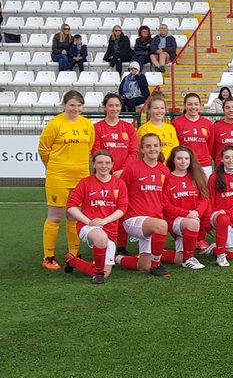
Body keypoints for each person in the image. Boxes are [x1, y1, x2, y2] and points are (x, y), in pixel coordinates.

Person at [37, 90, 94, 270]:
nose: (75, 109)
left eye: (78, 106)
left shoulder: (87, 125)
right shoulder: (55, 124)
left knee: (75, 216)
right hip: (58, 176)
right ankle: (48, 257)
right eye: (71, 105)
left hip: (81, 176)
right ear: (64, 105)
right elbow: (43, 150)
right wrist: (55, 167)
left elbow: (89, 148)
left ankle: (73, 253)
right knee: (55, 216)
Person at [61, 150, 126, 284]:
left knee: (106, 271)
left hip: (109, 228)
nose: (104, 166)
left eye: (107, 163)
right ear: (94, 164)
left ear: (112, 164)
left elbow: (122, 209)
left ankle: (73, 261)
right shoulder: (85, 183)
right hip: (87, 226)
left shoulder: (119, 184)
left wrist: (104, 221)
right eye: (100, 162)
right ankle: (98, 275)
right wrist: (89, 222)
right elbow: (71, 205)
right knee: (101, 238)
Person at [113, 133, 171, 277]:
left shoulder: (164, 171)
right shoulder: (132, 168)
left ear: (160, 148)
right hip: (134, 219)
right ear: (142, 149)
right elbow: (121, 193)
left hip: (153, 222)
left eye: (155, 145)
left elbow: (163, 196)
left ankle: (114, 259)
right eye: (148, 146)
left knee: (143, 266)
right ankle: (157, 264)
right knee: (162, 225)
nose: (152, 149)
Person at [160, 146, 209, 269]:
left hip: (194, 217)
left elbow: (204, 198)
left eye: (186, 158)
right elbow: (165, 205)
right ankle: (189, 259)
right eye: (180, 158)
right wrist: (187, 213)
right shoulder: (167, 178)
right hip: (174, 219)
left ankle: (156, 253)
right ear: (173, 160)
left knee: (178, 259)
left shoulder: (196, 177)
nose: (183, 161)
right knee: (192, 224)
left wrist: (197, 212)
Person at [92, 93, 138, 174]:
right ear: (104, 107)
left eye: (117, 105)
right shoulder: (96, 127)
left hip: (124, 173)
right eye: (110, 105)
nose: (114, 109)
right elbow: (96, 152)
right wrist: (106, 169)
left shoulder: (129, 127)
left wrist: (123, 170)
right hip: (104, 172)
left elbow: (133, 152)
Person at [172, 93, 214, 174]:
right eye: (190, 104)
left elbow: (210, 145)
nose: (193, 107)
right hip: (184, 164)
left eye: (196, 104)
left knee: (204, 187)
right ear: (184, 105)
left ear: (200, 105)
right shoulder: (176, 123)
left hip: (204, 165)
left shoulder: (208, 123)